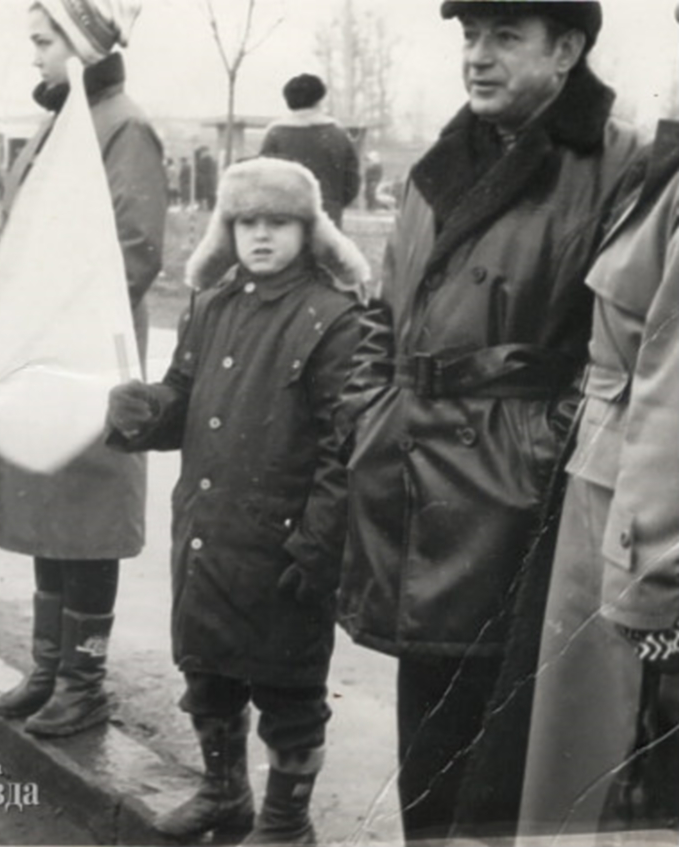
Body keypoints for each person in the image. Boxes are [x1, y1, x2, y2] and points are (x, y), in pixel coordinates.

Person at [337, 2, 640, 840]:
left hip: (517, 502)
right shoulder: (442, 159)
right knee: (427, 747)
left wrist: (546, 449)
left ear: (567, 50)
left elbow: (620, 347)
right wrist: (370, 412)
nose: (478, 56)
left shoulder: (618, 165)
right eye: (470, 36)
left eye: (506, 36)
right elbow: (383, 308)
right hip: (415, 479)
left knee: (505, 764)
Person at [109, 158, 368, 845]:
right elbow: (181, 400)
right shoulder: (210, 304)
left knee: (288, 691)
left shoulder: (335, 320)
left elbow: (346, 449)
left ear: (309, 230)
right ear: (228, 229)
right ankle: (224, 792)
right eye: (247, 221)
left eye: (278, 222)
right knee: (209, 673)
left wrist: (316, 545)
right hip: (207, 532)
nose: (261, 235)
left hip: (284, 544)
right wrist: (145, 411)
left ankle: (286, 821)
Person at [0, 0, 166, 739]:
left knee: (86, 517)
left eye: (44, 41)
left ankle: (83, 682)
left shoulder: (125, 125)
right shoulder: (68, 121)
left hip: (87, 362)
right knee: (47, 511)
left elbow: (134, 251)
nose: (34, 56)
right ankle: (51, 669)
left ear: (82, 46)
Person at [519, 6, 679, 834]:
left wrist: (647, 600)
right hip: (609, 513)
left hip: (632, 545)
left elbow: (671, 399)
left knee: (606, 796)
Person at [260, 73, 360, 228]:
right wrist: (334, 204)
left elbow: (263, 181)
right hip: (328, 218)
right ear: (319, 99)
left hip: (284, 219)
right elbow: (351, 183)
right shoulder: (338, 134)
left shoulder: (275, 134)